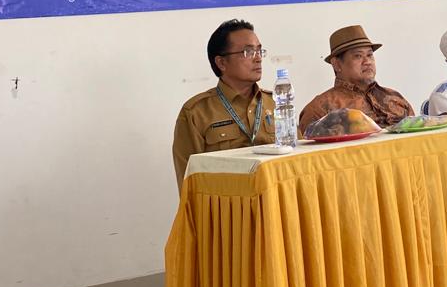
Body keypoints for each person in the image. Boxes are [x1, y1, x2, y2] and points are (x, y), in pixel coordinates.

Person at [172, 19, 274, 192]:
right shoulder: (196, 112)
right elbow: (189, 182)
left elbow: (299, 158)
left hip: (275, 205)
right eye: (248, 52)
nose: (258, 58)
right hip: (227, 211)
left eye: (259, 50)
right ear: (221, 63)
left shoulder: (275, 103)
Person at [298, 25, 413, 135]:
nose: (367, 61)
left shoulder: (396, 98)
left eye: (370, 55)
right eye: (358, 56)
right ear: (336, 64)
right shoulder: (320, 109)